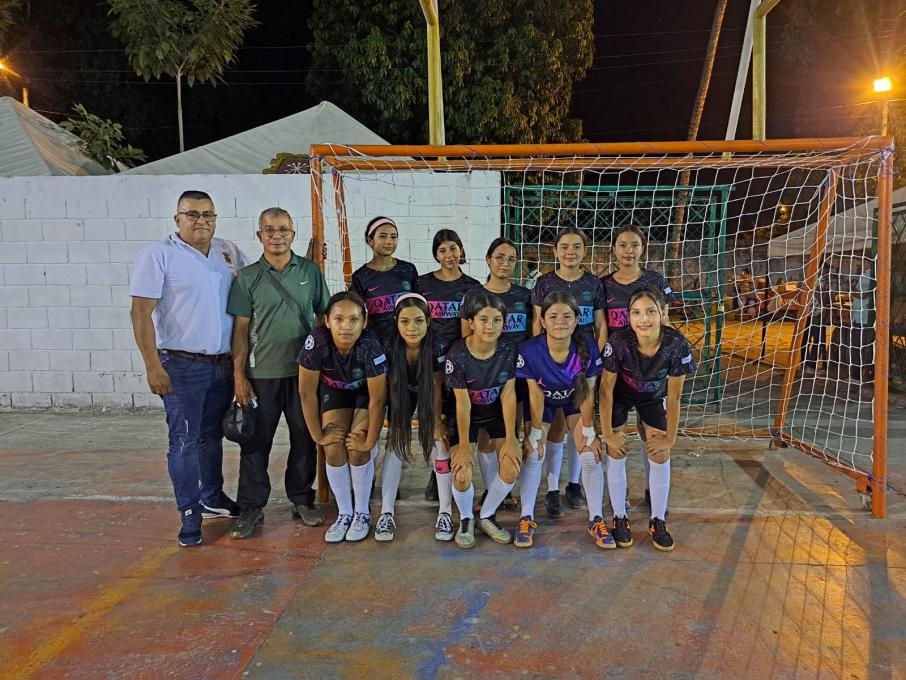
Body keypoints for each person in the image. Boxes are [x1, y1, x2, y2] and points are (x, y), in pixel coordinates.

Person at [130, 190, 250, 547]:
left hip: (222, 364)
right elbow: (140, 313)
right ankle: (188, 512)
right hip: (181, 365)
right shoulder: (159, 255)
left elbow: (254, 285)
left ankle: (212, 496)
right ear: (177, 218)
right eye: (193, 214)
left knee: (211, 435)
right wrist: (153, 365)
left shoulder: (227, 252)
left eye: (209, 215)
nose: (202, 221)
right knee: (183, 440)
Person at [226, 207, 330, 539]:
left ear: (293, 234)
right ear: (260, 235)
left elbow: (323, 317)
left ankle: (301, 498)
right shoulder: (247, 277)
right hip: (262, 374)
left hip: (303, 374)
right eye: (269, 230)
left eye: (283, 229)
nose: (277, 235)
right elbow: (240, 331)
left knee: (304, 438)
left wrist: (322, 364)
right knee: (256, 442)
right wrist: (239, 377)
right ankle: (251, 507)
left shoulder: (310, 272)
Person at [600, 286, 697, 552]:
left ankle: (658, 519)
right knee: (616, 449)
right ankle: (620, 516)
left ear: (662, 313)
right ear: (628, 317)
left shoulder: (675, 344)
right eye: (636, 313)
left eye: (650, 312)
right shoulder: (619, 342)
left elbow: (675, 396)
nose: (643, 319)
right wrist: (607, 433)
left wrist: (671, 439)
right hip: (620, 395)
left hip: (653, 397)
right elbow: (606, 390)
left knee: (659, 453)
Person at [515, 292, 606, 548]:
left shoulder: (587, 346)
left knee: (590, 453)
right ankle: (526, 517)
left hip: (574, 400)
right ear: (542, 320)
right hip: (543, 402)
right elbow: (534, 394)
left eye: (567, 316)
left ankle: (596, 519)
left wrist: (589, 429)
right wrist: (534, 431)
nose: (560, 322)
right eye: (553, 316)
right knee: (533, 452)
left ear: (577, 319)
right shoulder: (530, 350)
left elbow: (588, 392)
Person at [297, 292, 388, 543]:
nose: (346, 326)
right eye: (338, 319)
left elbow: (378, 399)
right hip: (335, 392)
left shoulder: (370, 345)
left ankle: (362, 512)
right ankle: (344, 512)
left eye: (353, 319)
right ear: (327, 321)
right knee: (333, 445)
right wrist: (318, 436)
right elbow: (306, 392)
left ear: (364, 321)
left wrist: (370, 441)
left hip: (363, 394)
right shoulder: (317, 342)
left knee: (357, 446)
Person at [530, 226, 605, 517]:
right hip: (551, 362)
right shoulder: (544, 283)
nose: (570, 252)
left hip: (581, 364)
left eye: (576, 246)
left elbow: (600, 326)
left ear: (584, 250)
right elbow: (537, 325)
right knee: (556, 426)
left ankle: (573, 484)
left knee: (579, 424)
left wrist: (594, 363)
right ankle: (552, 488)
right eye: (565, 246)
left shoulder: (594, 284)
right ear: (555, 251)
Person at [601, 225, 675, 509]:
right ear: (614, 249)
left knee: (651, 432)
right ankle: (621, 494)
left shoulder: (655, 280)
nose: (628, 250)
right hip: (617, 369)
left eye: (634, 245)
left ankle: (651, 491)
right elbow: (600, 326)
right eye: (622, 245)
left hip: (650, 370)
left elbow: (665, 321)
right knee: (615, 433)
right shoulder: (603, 284)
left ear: (643, 248)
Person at [461, 237, 532, 512]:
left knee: (515, 430)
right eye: (499, 257)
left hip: (519, 373)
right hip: (486, 375)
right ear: (488, 259)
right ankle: (492, 490)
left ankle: (509, 486)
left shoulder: (524, 296)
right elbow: (465, 337)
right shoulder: (473, 295)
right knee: (487, 436)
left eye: (511, 259)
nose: (505, 263)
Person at [445, 292, 520, 549]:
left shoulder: (508, 349)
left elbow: (509, 394)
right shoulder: (458, 354)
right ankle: (465, 519)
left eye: (497, 320)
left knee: (511, 465)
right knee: (462, 470)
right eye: (484, 319)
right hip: (467, 414)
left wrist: (511, 439)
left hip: (494, 411)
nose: (490, 326)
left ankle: (486, 515)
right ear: (472, 322)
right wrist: (464, 447)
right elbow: (462, 403)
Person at [375, 294, 453, 542]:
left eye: (419, 321)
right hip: (400, 394)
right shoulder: (388, 346)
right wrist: (397, 421)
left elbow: (436, 387)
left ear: (429, 320)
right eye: (405, 321)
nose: (412, 328)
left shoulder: (437, 346)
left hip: (430, 393)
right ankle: (386, 511)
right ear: (396, 322)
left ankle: (445, 511)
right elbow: (386, 388)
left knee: (440, 442)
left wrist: (437, 422)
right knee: (395, 441)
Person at [416, 229, 480, 503]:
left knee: (457, 418)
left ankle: (457, 473)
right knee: (435, 417)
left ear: (461, 250)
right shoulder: (422, 284)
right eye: (442, 250)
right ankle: (437, 471)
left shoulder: (472, 286)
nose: (449, 255)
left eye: (453, 248)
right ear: (436, 254)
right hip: (429, 360)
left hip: (459, 362)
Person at [350, 216, 419, 342]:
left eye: (393, 237)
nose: (389, 241)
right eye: (382, 236)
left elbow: (418, 307)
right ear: (370, 240)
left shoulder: (408, 269)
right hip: (376, 344)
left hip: (406, 342)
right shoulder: (360, 276)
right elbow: (355, 314)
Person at [846, 261, 875, 382]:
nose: (860, 264)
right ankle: (859, 374)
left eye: (862, 262)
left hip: (863, 317)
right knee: (858, 347)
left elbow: (864, 295)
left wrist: (851, 288)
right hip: (860, 316)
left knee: (857, 347)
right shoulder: (867, 274)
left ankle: (857, 376)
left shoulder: (870, 275)